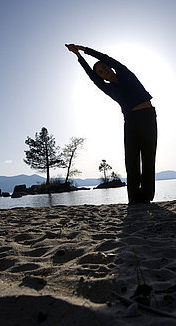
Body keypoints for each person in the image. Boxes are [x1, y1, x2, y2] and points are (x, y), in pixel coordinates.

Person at [66, 43, 157, 205]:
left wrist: (83, 49)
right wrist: (78, 58)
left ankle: (147, 197)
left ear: (110, 67)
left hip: (147, 117)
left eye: (104, 68)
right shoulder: (108, 88)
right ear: (101, 77)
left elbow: (105, 58)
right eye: (100, 72)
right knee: (131, 160)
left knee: (148, 158)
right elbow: (91, 75)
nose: (104, 72)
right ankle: (135, 199)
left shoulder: (124, 73)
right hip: (130, 122)